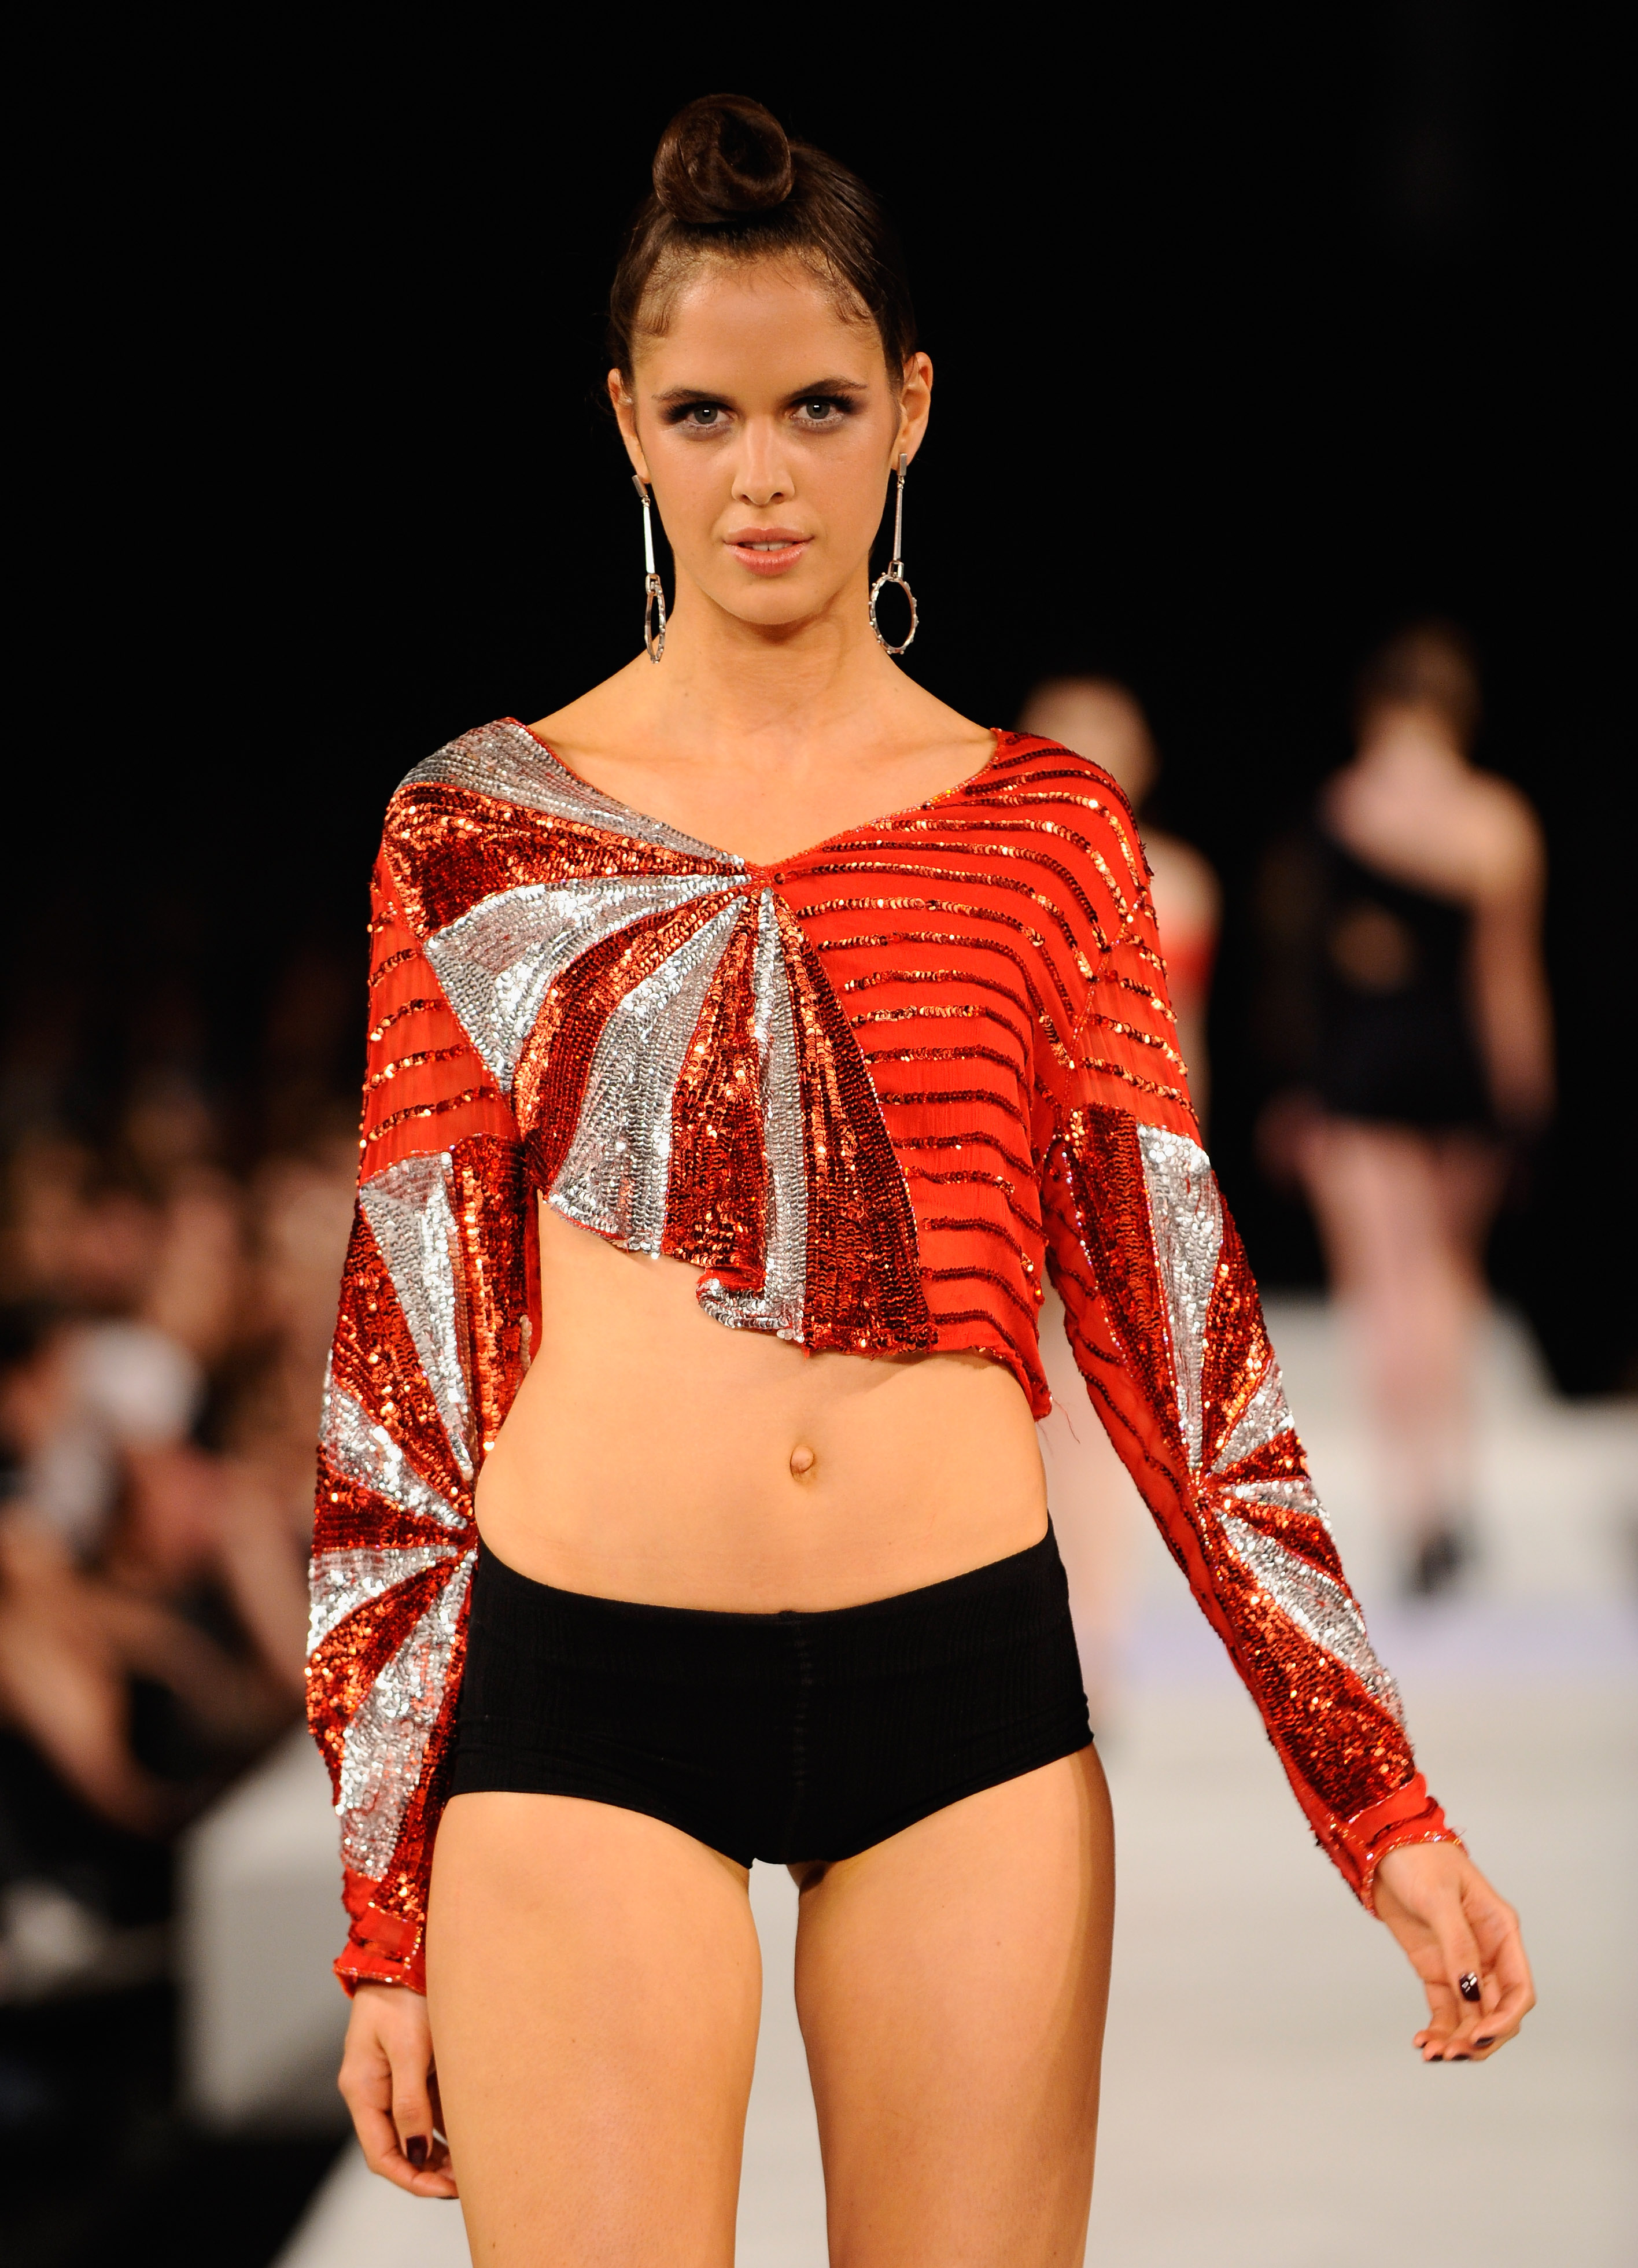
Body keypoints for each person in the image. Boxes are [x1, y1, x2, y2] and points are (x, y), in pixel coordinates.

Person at [312, 96, 1534, 2264]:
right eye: (703, 412)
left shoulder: (1045, 834)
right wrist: (382, 1909)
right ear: (626, 426)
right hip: (582, 1692)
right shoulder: (477, 832)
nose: (760, 474)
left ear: (910, 409)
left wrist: (1372, 1791)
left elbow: (1174, 1335)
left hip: (959, 1693)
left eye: (814, 405)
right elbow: (409, 1362)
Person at [1272, 625, 1554, 1594]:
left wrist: (1299, 1089)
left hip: (1361, 1071)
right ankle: (1451, 1490)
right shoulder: (1495, 820)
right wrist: (1525, 1101)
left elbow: (1308, 973)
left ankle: (1410, 1506)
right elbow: (1507, 981)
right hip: (1460, 1071)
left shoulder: (1345, 806)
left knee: (1384, 1291)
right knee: (1446, 1284)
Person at [1017, 677, 1219, 1112]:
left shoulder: (1178, 884)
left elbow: (1184, 1036)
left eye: (1103, 731)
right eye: (1066, 729)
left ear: (1144, 759)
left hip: (1139, 1124)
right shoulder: (990, 876)